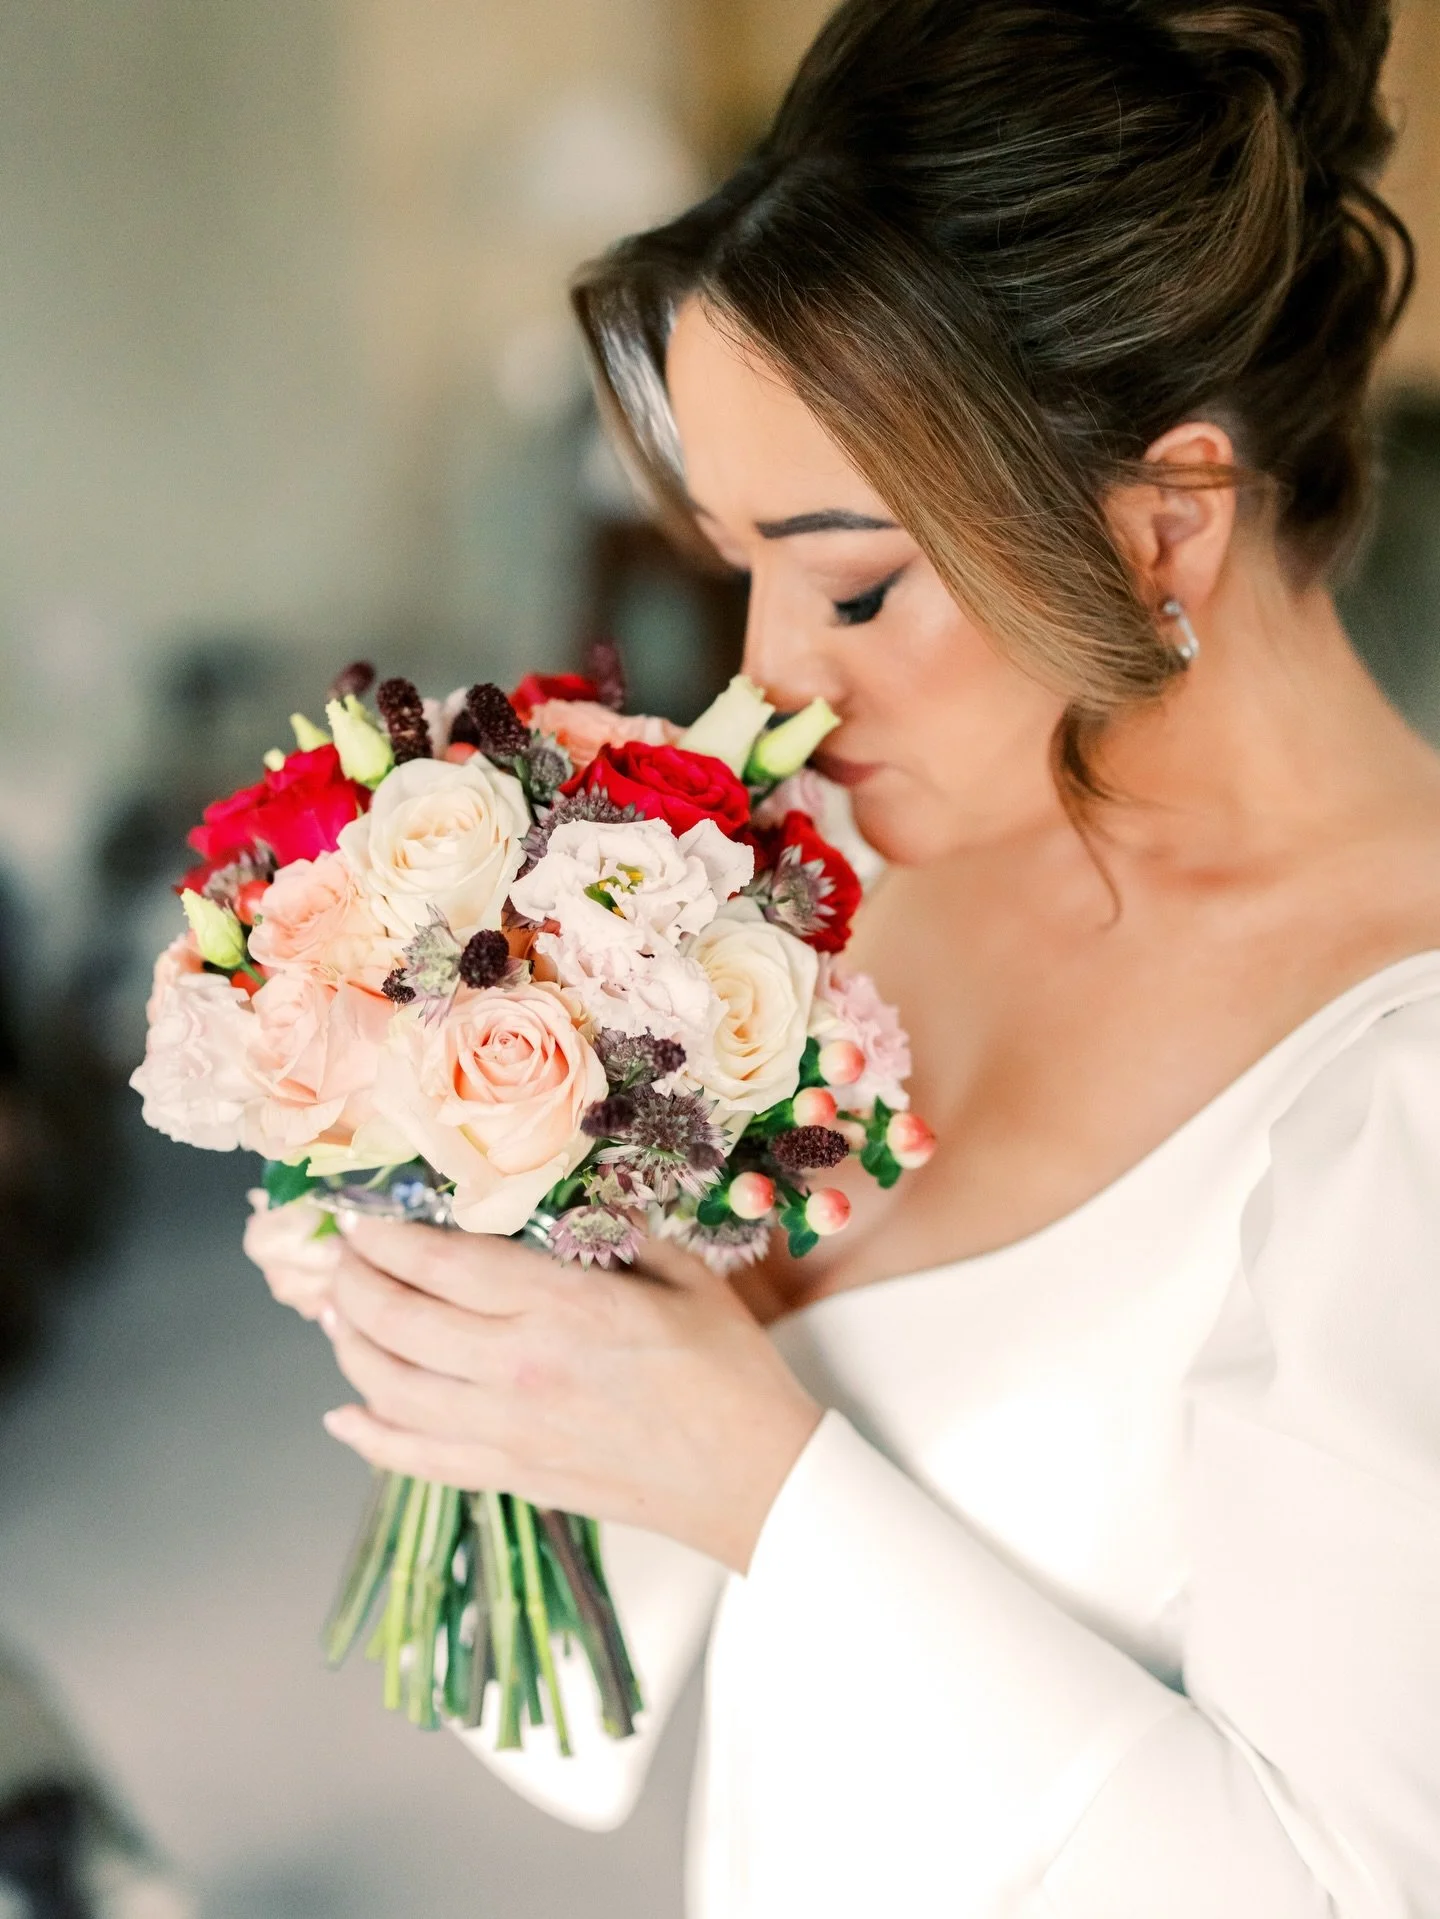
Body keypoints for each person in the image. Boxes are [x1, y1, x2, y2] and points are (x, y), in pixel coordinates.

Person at [250, 1, 1440, 1911]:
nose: (765, 685)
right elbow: (592, 1671)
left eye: (854, 578)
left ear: (1166, 527)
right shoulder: (845, 874)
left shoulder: (1407, 1097)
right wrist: (491, 1289)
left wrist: (765, 1480)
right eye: (740, 561)